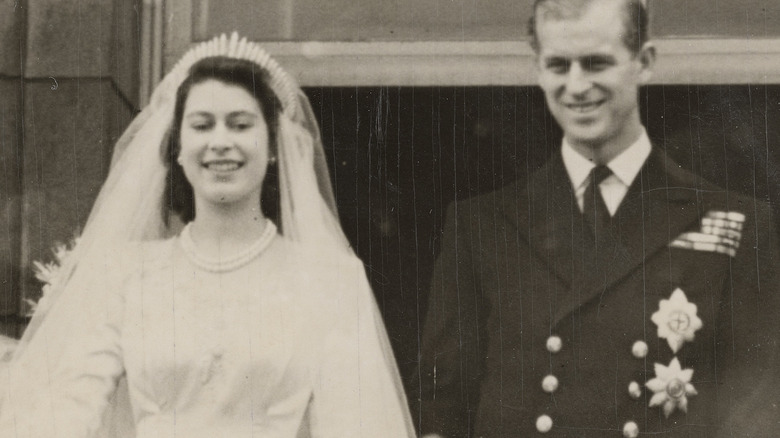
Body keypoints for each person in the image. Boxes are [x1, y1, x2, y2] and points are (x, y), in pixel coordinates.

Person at [0, 33, 415, 438]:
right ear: (178, 146)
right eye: (202, 125)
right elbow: (66, 409)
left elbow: (353, 424)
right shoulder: (124, 275)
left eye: (240, 125)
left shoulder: (329, 280)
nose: (220, 142)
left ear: (273, 146)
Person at [415, 0, 780, 436]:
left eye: (596, 63)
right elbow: (442, 402)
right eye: (557, 65)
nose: (576, 86)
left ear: (644, 63)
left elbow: (756, 409)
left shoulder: (735, 221)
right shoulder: (481, 224)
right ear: (537, 69)